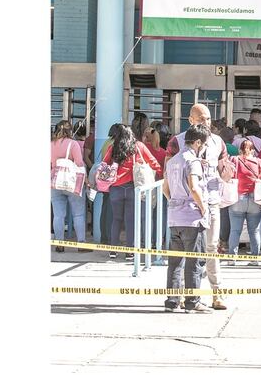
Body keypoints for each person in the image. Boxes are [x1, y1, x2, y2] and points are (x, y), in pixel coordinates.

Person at [167, 103, 233, 310]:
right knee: (187, 252)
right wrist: (175, 200)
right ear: (191, 120)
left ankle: (216, 292)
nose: (206, 122)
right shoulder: (177, 142)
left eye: (208, 118)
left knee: (211, 247)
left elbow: (224, 169)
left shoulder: (218, 142)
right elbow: (166, 176)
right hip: (188, 208)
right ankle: (188, 296)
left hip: (211, 201)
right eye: (202, 118)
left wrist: (227, 173)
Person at [162, 124, 212, 313]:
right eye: (204, 145)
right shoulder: (193, 161)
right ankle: (192, 301)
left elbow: (165, 189)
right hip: (192, 217)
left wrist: (175, 202)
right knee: (195, 262)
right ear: (198, 142)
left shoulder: (173, 160)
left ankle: (172, 301)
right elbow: (194, 187)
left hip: (174, 218)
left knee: (175, 263)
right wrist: (203, 207)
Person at [102, 123, 162, 261]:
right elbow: (154, 163)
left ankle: (113, 250)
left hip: (115, 188)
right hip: (133, 189)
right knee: (130, 221)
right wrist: (160, 175)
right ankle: (130, 252)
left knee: (116, 219)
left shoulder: (113, 147)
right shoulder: (139, 146)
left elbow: (105, 164)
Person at [227, 140, 261, 263]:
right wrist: (260, 177)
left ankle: (232, 259)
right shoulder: (258, 162)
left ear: (240, 150)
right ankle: (254, 259)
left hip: (238, 198)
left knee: (235, 230)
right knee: (254, 231)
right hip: (254, 199)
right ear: (253, 150)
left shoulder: (234, 160)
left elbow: (227, 174)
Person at [51, 120, 88, 252]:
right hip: (71, 183)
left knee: (58, 215)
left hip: (55, 183)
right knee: (78, 214)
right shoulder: (73, 144)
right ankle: (81, 244)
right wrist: (87, 180)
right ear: (70, 130)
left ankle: (59, 244)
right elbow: (79, 163)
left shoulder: (51, 144)